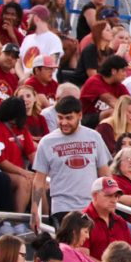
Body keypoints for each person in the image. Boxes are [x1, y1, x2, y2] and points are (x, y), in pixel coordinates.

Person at [32, 95, 111, 227]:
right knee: (69, 246)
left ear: (80, 116)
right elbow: (39, 180)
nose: (63, 123)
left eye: (69, 118)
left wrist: (108, 203)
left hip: (91, 207)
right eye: (60, 118)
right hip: (62, 207)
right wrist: (35, 211)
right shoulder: (46, 142)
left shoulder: (94, 137)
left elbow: (105, 174)